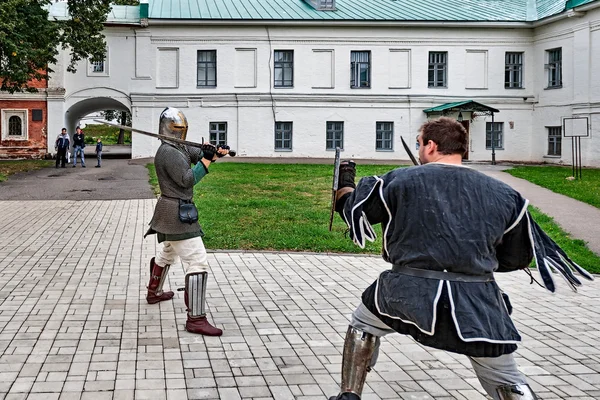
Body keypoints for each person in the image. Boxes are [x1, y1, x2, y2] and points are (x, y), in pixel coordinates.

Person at [328, 117, 591, 400]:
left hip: (406, 294)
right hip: (477, 302)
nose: (419, 150)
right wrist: (472, 266)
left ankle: (349, 395)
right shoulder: (504, 194)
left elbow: (352, 209)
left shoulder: (398, 181)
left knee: (363, 325)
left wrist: (345, 182)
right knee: (505, 375)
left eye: (419, 144)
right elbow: (516, 257)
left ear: (430, 146)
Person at [144, 107, 229, 336]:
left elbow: (195, 153)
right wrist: (207, 161)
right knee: (198, 261)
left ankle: (154, 292)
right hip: (176, 212)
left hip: (171, 212)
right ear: (168, 129)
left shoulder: (177, 147)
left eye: (183, 129)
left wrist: (212, 152)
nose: (181, 133)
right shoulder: (168, 152)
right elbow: (187, 180)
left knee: (167, 252)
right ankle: (196, 319)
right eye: (177, 129)